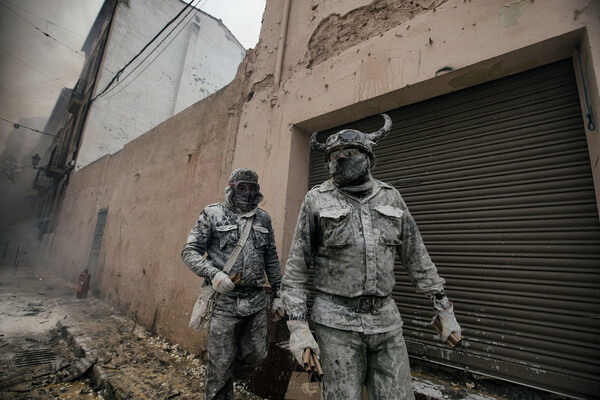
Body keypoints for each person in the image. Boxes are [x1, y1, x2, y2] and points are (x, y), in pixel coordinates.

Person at [280, 114, 461, 400]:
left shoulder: (391, 198)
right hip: (335, 324)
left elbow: (417, 257)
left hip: (386, 321)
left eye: (349, 153)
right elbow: (297, 268)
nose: (340, 159)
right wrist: (299, 327)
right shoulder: (316, 200)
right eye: (333, 155)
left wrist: (444, 308)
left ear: (368, 158)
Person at [182, 168, 283, 400]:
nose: (247, 192)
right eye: (242, 187)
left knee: (257, 354)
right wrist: (214, 275)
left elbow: (271, 257)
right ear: (231, 188)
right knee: (219, 365)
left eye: (252, 188)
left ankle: (229, 375)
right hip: (224, 302)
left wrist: (279, 293)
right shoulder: (212, 213)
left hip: (256, 301)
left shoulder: (263, 218)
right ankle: (220, 388)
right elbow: (190, 251)